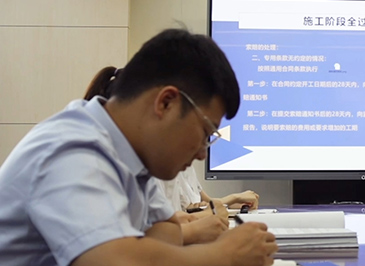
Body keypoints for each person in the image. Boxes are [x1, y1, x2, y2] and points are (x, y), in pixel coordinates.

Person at [0, 29, 277, 265]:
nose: (203, 153)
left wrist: (144, 248)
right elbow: (114, 260)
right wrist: (223, 254)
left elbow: (167, 231)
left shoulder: (132, 158)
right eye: (205, 133)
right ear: (166, 103)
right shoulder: (72, 150)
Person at [83, 66, 256, 245]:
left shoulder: (140, 162)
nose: (202, 154)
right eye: (203, 132)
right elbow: (115, 250)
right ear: (164, 106)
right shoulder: (88, 158)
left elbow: (163, 224)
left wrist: (184, 224)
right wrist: (198, 233)